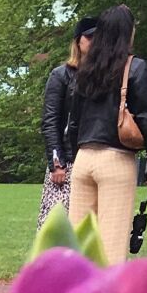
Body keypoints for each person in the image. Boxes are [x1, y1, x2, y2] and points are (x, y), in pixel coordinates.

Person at [67, 3, 147, 265]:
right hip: (116, 159)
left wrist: (74, 156)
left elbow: (73, 122)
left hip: (84, 158)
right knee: (111, 244)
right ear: (128, 32)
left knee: (79, 241)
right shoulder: (135, 67)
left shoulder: (85, 69)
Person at [38, 17, 96, 227]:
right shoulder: (61, 75)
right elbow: (50, 120)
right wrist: (57, 163)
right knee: (58, 222)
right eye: (89, 37)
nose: (94, 42)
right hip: (67, 161)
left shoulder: (102, 78)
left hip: (92, 158)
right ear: (77, 42)